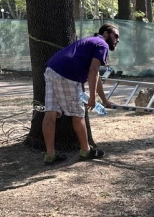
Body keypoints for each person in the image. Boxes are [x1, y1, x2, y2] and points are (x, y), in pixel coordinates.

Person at [41, 23, 120, 165]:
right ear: (106, 34)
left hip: (51, 69)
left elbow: (96, 77)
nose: (117, 40)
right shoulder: (102, 44)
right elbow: (93, 71)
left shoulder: (90, 41)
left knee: (50, 112)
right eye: (116, 36)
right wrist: (92, 98)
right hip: (68, 75)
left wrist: (104, 100)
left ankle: (50, 155)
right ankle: (85, 151)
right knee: (78, 114)